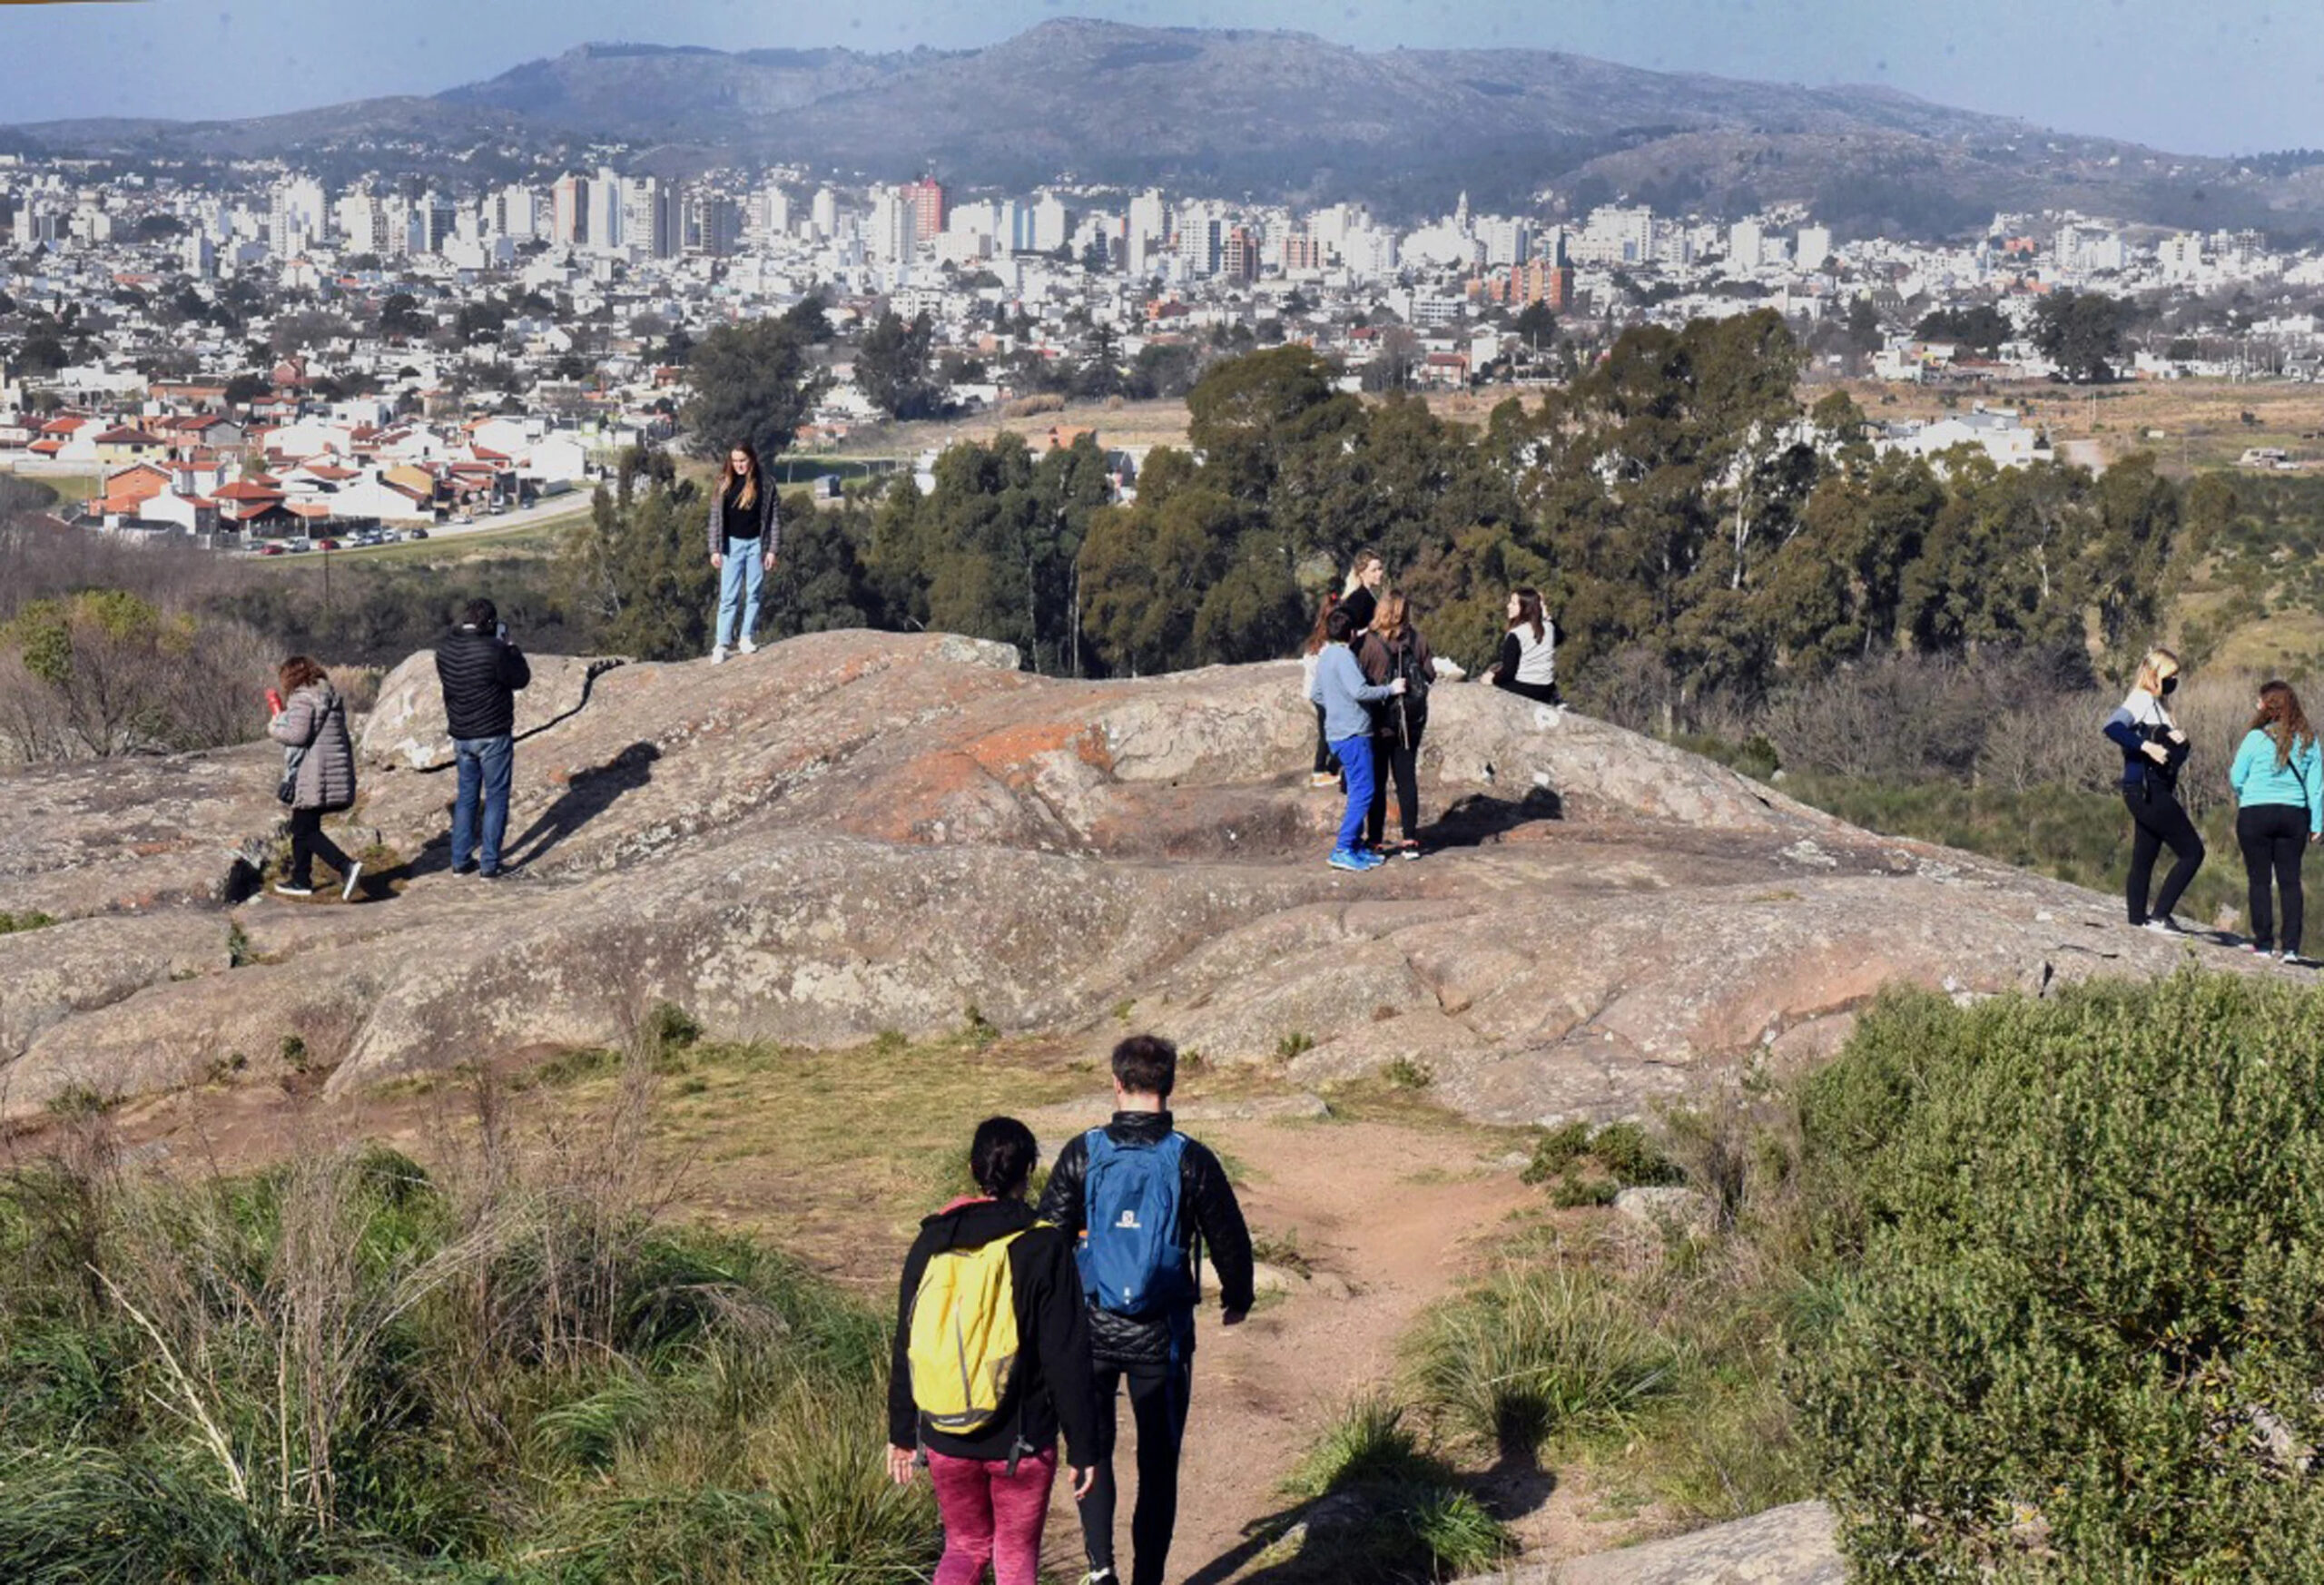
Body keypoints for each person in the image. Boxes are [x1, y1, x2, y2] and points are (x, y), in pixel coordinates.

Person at [1038, 1035, 1254, 1585]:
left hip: (1091, 1328)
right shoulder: (1190, 1157)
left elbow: (1048, 1243)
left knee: (1093, 1450)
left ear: (1116, 1083)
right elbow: (1228, 1235)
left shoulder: (1082, 1152)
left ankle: (1100, 1568)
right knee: (1158, 1465)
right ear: (1171, 1085)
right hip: (1164, 1333)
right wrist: (1237, 1297)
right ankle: (1147, 1580)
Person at [890, 1117, 1098, 1585]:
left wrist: (902, 1432)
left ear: (972, 1169)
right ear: (1030, 1172)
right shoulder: (1044, 1244)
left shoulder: (931, 1240)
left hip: (944, 1436)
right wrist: (1085, 1448)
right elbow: (1067, 1357)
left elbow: (908, 1342)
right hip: (1021, 1445)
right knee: (1015, 1555)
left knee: (963, 1547)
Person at [2103, 646, 2201, 934]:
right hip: (2148, 790)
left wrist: (2177, 741)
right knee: (2193, 852)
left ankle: (2137, 922)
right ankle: (2160, 915)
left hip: (2148, 789)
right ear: (2154, 673)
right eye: (2170, 675)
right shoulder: (2142, 699)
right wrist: (2147, 745)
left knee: (2144, 857)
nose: (2174, 682)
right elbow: (2112, 727)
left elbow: (2172, 755)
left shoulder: (2160, 706)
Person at [435, 597, 532, 880]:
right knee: (496, 798)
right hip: (492, 733)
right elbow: (521, 678)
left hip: (462, 734)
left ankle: (460, 861)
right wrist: (510, 646)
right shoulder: (495, 650)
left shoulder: (445, 650)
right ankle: (490, 864)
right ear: (490, 623)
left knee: (466, 798)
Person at [2229, 679, 2324, 963]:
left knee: (2259, 880)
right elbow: (2316, 788)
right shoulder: (2308, 739)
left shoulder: (2255, 738)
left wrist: (2249, 797)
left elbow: (2236, 777)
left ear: (2267, 707)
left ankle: (2264, 943)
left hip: (2255, 813)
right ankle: (2292, 948)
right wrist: (2317, 824)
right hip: (2293, 815)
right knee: (2290, 881)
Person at [1306, 605, 1405, 872]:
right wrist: (1390, 689)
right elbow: (1360, 691)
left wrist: (1336, 707)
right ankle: (1342, 848)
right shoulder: (1344, 657)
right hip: (1354, 734)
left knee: (1357, 790)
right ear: (1351, 632)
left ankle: (1355, 846)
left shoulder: (1325, 656)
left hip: (1336, 734)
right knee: (1364, 792)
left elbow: (1316, 694)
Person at [266, 656, 362, 901]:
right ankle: (301, 879)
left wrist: (274, 727)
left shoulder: (302, 697)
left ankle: (345, 866)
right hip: (332, 769)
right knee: (303, 825)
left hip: (315, 772)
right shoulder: (325, 692)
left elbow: (298, 735)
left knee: (303, 829)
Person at [1358, 592, 1435, 860]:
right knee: (1406, 779)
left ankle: (1376, 840)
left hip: (1379, 722)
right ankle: (1410, 839)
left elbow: (1360, 681)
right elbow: (1429, 675)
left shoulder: (1368, 643)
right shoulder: (1418, 639)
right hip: (1410, 722)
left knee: (1377, 782)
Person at [707, 440, 781, 665]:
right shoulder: (723, 484)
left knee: (754, 593)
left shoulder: (766, 485)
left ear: (752, 460)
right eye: (735, 461)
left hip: (757, 545)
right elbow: (714, 520)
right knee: (729, 597)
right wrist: (714, 550)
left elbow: (774, 520)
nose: (739, 465)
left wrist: (772, 550)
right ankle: (721, 644)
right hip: (731, 546)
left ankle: (746, 637)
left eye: (743, 461)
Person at [1481, 588, 1560, 704]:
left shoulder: (1517, 634)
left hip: (1525, 689)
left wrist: (1492, 679)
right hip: (1546, 689)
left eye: (1513, 603)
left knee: (1486, 684)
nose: (1508, 606)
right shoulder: (1549, 627)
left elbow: (1508, 672)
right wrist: (1546, 614)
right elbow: (1560, 637)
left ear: (1525, 608)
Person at [1299, 591, 1343, 791]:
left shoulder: (1317, 638)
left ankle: (1327, 769)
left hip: (1317, 693)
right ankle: (1319, 771)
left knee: (1328, 731)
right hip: (1324, 695)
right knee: (1327, 733)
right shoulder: (1328, 645)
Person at [1338, 547, 1386, 637]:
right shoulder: (1358, 598)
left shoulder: (1369, 594)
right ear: (1361, 572)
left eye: (1380, 568)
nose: (1379, 573)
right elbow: (1350, 631)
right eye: (1374, 570)